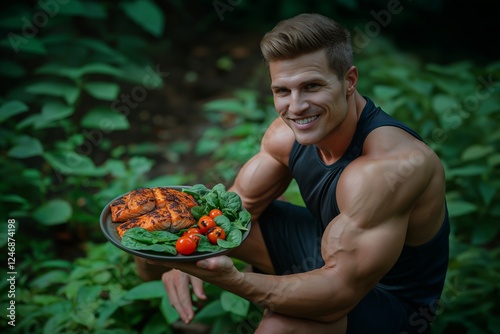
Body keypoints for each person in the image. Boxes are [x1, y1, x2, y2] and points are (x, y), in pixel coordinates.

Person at [135, 13, 450, 333]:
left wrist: (235, 280)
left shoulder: (388, 168)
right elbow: (233, 213)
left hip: (389, 302)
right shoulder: (285, 136)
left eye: (311, 86)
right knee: (165, 224)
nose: (296, 107)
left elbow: (340, 294)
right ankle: (174, 311)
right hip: (328, 254)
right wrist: (188, 252)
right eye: (282, 91)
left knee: (280, 326)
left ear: (349, 80)